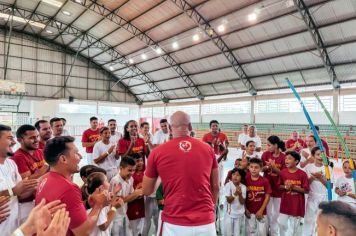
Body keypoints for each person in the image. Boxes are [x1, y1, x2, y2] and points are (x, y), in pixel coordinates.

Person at [143, 111, 219, 236]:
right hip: (205, 220)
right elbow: (215, 186)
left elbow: (147, 190)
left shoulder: (157, 152)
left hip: (174, 221)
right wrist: (212, 209)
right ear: (190, 126)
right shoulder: (208, 149)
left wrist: (163, 176)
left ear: (170, 128)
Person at [35, 136, 108, 236]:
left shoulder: (44, 178)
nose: (80, 156)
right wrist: (98, 205)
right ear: (63, 159)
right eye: (76, 153)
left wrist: (87, 204)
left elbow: (65, 209)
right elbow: (83, 232)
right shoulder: (69, 188)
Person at [0, 125, 38, 235]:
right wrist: (13, 191)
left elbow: (20, 194)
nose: (14, 142)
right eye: (9, 138)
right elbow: (15, 191)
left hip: (12, 227)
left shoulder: (11, 164)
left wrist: (37, 184)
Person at [11, 125, 48, 224]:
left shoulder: (40, 152)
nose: (36, 140)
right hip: (25, 204)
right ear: (20, 140)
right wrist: (47, 166)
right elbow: (27, 182)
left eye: (37, 136)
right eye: (32, 138)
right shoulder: (18, 157)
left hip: (39, 199)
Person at [304, 146, 334, 236]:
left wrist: (321, 178)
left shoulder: (328, 168)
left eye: (323, 154)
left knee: (321, 221)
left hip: (324, 197)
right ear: (313, 156)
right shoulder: (309, 167)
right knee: (308, 220)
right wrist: (313, 177)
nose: (321, 156)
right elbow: (305, 184)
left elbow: (330, 186)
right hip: (312, 196)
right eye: (318, 154)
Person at [278, 151, 309, 236]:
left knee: (295, 229)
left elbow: (306, 190)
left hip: (297, 206)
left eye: (289, 158)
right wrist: (285, 187)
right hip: (285, 205)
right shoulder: (283, 172)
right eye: (286, 158)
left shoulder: (302, 174)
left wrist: (293, 187)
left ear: (296, 161)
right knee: (281, 223)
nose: (286, 160)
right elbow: (279, 186)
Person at [110, 156, 143, 236]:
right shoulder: (116, 181)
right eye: (129, 170)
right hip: (114, 217)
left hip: (124, 214)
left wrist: (138, 193)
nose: (132, 173)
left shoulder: (130, 179)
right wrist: (135, 193)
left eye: (133, 170)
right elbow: (118, 203)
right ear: (121, 168)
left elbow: (129, 197)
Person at [84, 172, 124, 236]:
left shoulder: (99, 198)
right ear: (101, 187)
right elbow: (104, 226)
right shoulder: (98, 202)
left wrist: (114, 193)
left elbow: (109, 206)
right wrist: (114, 208)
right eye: (107, 181)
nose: (109, 183)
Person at [261, 135, 286, 236]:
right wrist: (267, 167)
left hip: (279, 189)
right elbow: (260, 169)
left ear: (275, 145)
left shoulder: (283, 157)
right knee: (267, 212)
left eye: (269, 145)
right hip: (267, 188)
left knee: (276, 214)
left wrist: (274, 168)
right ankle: (266, 232)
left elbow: (284, 174)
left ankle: (274, 232)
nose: (267, 147)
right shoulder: (265, 155)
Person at [245, 158, 271, 236]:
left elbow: (267, 196)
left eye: (256, 167)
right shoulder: (245, 179)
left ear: (260, 168)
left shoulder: (264, 181)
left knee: (262, 233)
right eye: (251, 167)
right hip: (249, 212)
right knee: (249, 233)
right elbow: (242, 196)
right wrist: (245, 209)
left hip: (261, 213)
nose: (253, 169)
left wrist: (261, 210)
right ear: (248, 167)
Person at [223, 168, 246, 236]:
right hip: (229, 215)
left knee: (237, 234)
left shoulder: (243, 187)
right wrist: (235, 193)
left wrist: (240, 194)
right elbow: (229, 201)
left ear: (241, 177)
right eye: (233, 174)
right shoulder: (228, 185)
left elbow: (242, 202)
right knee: (228, 234)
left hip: (239, 215)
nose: (235, 176)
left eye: (238, 175)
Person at [127, 154, 145, 236]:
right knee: (132, 229)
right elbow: (131, 193)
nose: (140, 163)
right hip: (132, 206)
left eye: (141, 160)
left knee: (140, 227)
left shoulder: (144, 174)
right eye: (137, 161)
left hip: (142, 205)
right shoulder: (130, 177)